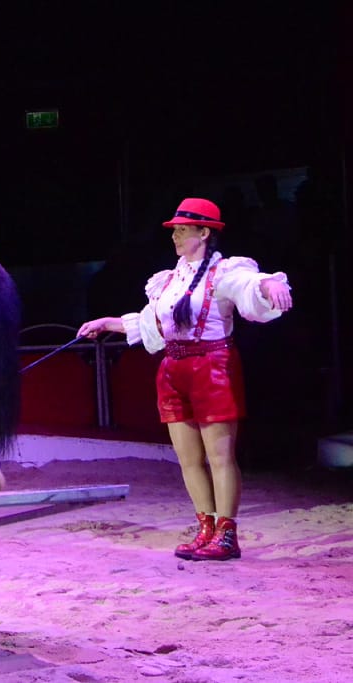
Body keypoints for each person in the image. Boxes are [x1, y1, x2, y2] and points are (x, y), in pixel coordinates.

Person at [77, 198, 293, 561]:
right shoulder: (169, 280)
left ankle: (227, 533)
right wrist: (107, 323)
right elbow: (152, 323)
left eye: (182, 229)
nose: (175, 236)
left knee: (220, 455)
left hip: (212, 367)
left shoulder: (224, 272)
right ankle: (205, 527)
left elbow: (251, 283)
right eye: (174, 229)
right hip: (173, 370)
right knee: (188, 458)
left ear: (204, 233)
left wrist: (270, 284)